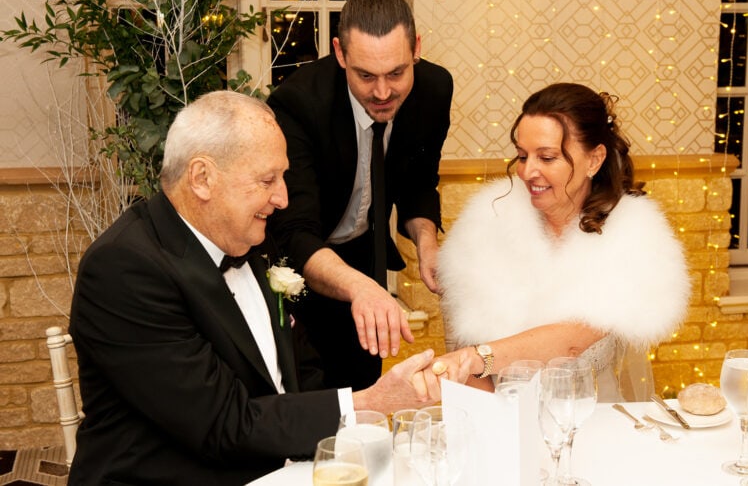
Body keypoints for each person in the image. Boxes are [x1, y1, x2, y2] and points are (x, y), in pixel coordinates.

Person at [67, 91, 469, 485]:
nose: (282, 198)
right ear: (202, 178)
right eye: (267, 179)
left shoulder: (252, 241)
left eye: (283, 177)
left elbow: (300, 371)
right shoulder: (124, 269)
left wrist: (349, 438)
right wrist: (365, 404)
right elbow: (222, 424)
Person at [435, 83, 690, 401]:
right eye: (522, 156)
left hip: (586, 413)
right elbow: (462, 339)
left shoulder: (632, 234)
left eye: (547, 157)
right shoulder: (487, 220)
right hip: (498, 409)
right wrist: (492, 422)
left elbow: (571, 340)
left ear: (595, 159)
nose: (529, 171)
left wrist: (476, 358)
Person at [266, 0, 453, 390]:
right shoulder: (298, 103)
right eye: (366, 75)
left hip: (364, 256)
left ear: (416, 48)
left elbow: (420, 180)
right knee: (309, 397)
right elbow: (295, 231)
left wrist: (427, 244)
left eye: (397, 73)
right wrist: (360, 289)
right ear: (340, 53)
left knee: (363, 387)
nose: (383, 91)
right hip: (302, 269)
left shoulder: (434, 89)